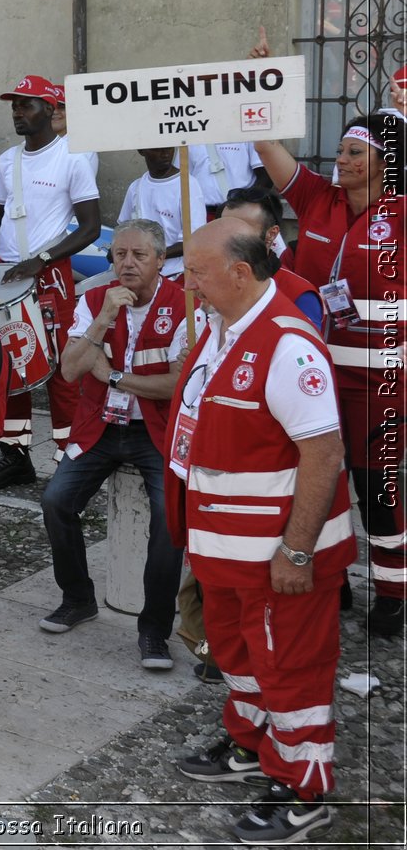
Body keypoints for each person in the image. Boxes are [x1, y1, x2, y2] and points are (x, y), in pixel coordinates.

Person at [170, 220, 351, 845]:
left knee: (291, 670)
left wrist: (296, 551)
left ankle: (305, 790)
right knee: (241, 659)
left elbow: (323, 455)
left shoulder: (289, 345)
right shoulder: (222, 329)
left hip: (278, 558)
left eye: (197, 272)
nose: (187, 284)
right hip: (225, 551)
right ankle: (253, 745)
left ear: (240, 274)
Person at [253, 109, 405, 638]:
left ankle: (393, 591)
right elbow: (268, 150)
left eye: (355, 153)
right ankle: (332, 578)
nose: (340, 160)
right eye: (340, 150)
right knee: (315, 478)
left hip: (378, 383)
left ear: (387, 163)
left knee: (374, 486)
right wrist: (258, 91)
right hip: (310, 373)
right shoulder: (319, 198)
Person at [34, 220, 187, 668]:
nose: (128, 263)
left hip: (155, 431)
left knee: (168, 518)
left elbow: (175, 387)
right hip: (100, 426)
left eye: (139, 255)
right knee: (56, 500)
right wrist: (102, 322)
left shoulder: (183, 306)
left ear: (161, 260)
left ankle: (154, 630)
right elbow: (69, 371)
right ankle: (78, 597)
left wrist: (115, 375)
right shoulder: (95, 301)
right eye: (119, 254)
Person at [0, 74, 103, 488]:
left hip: (51, 275)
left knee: (62, 371)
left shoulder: (72, 157)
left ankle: (70, 459)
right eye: (14, 105)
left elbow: (91, 227)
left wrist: (41, 259)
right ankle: (16, 455)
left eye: (26, 105)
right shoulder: (7, 160)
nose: (17, 111)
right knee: (11, 368)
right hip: (7, 274)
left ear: (50, 109)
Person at [219, 187, 322, 329]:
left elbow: (304, 347)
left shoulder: (299, 293)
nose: (229, 237)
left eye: (241, 229)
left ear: (272, 234)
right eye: (223, 227)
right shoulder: (207, 281)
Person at [117, 147, 207, 280]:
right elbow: (122, 230)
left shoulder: (188, 185)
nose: (165, 154)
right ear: (142, 151)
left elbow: (193, 240)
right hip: (140, 275)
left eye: (169, 148)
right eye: (157, 149)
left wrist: (153, 255)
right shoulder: (136, 187)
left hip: (176, 274)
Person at [181, 142, 272, 216]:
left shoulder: (244, 128)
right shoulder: (190, 134)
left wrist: (245, 205)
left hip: (240, 213)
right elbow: (182, 179)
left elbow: (266, 177)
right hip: (202, 214)